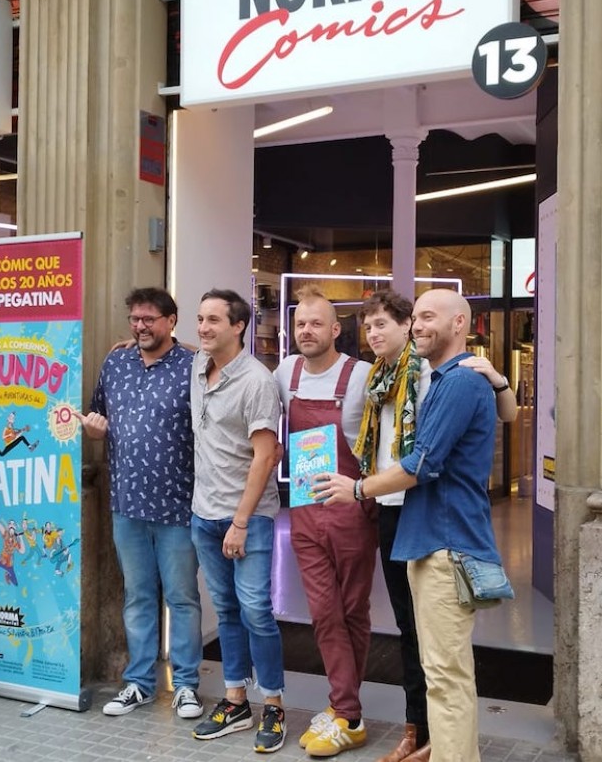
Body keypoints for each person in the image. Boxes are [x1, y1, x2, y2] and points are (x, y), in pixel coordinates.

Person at [317, 289, 509, 762]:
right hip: (424, 536)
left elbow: (422, 463)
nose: (418, 325)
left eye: (426, 317)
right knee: (441, 671)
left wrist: (357, 488)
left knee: (445, 674)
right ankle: (435, 745)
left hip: (445, 539)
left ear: (459, 323)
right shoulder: (433, 379)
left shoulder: (456, 381)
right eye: (416, 316)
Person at [79, 287, 203, 721]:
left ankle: (186, 685)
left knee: (182, 598)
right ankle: (139, 684)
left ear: (171, 321)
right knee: (137, 597)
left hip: (179, 506)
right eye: (135, 319)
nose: (140, 326)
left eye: (149, 319)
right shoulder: (115, 363)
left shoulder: (193, 366)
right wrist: (94, 430)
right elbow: (97, 418)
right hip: (127, 503)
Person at [272, 286, 374, 758]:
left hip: (352, 511)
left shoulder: (361, 375)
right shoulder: (285, 372)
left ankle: (344, 709)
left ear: (336, 330)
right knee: (323, 611)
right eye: (300, 324)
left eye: (316, 323)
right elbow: (236, 375)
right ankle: (347, 711)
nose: (306, 331)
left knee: (352, 610)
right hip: (306, 511)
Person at [189, 288, 286, 754]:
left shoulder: (257, 382)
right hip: (203, 513)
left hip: (246, 517)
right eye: (200, 319)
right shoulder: (198, 365)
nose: (203, 327)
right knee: (226, 610)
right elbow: (186, 346)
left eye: (213, 320)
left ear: (238, 326)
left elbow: (265, 457)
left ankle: (274, 704)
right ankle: (235, 701)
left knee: (256, 611)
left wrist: (241, 522)